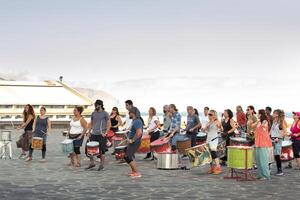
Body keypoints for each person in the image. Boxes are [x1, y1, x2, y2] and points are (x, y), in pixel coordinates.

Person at [86, 100, 111, 171]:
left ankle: (101, 165)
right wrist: (89, 132)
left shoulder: (105, 113)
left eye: (96, 105)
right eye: (95, 105)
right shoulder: (93, 113)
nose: (95, 106)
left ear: (100, 105)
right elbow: (91, 123)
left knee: (102, 151)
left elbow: (109, 124)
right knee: (89, 149)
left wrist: (106, 133)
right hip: (93, 134)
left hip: (102, 135)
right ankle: (92, 163)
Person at [250, 109, 272, 180]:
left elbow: (264, 126)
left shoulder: (264, 121)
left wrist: (259, 121)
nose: (256, 115)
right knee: (258, 160)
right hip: (258, 142)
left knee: (263, 160)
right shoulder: (259, 121)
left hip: (263, 143)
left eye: (258, 114)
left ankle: (266, 175)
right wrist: (257, 121)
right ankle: (260, 175)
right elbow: (252, 126)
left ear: (260, 114)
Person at [203, 110, 222, 175]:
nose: (209, 116)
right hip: (209, 138)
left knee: (213, 151)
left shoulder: (217, 121)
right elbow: (204, 130)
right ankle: (212, 167)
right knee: (209, 153)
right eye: (209, 114)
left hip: (214, 138)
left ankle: (218, 167)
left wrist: (219, 126)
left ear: (214, 115)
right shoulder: (208, 122)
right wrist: (206, 127)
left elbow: (221, 128)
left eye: (211, 114)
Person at [125, 107, 143, 178]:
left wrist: (132, 140)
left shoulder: (137, 121)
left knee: (128, 157)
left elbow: (139, 133)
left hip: (135, 142)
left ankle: (137, 172)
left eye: (129, 113)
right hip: (133, 142)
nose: (128, 114)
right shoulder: (134, 121)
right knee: (130, 156)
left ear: (133, 113)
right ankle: (133, 171)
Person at [270, 109, 288, 175]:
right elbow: (272, 130)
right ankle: (269, 169)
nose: (273, 114)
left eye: (274, 113)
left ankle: (280, 170)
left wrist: (278, 137)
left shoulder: (281, 122)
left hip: (278, 140)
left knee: (277, 155)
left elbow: (285, 132)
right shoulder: (274, 121)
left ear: (277, 114)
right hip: (272, 139)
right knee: (272, 155)